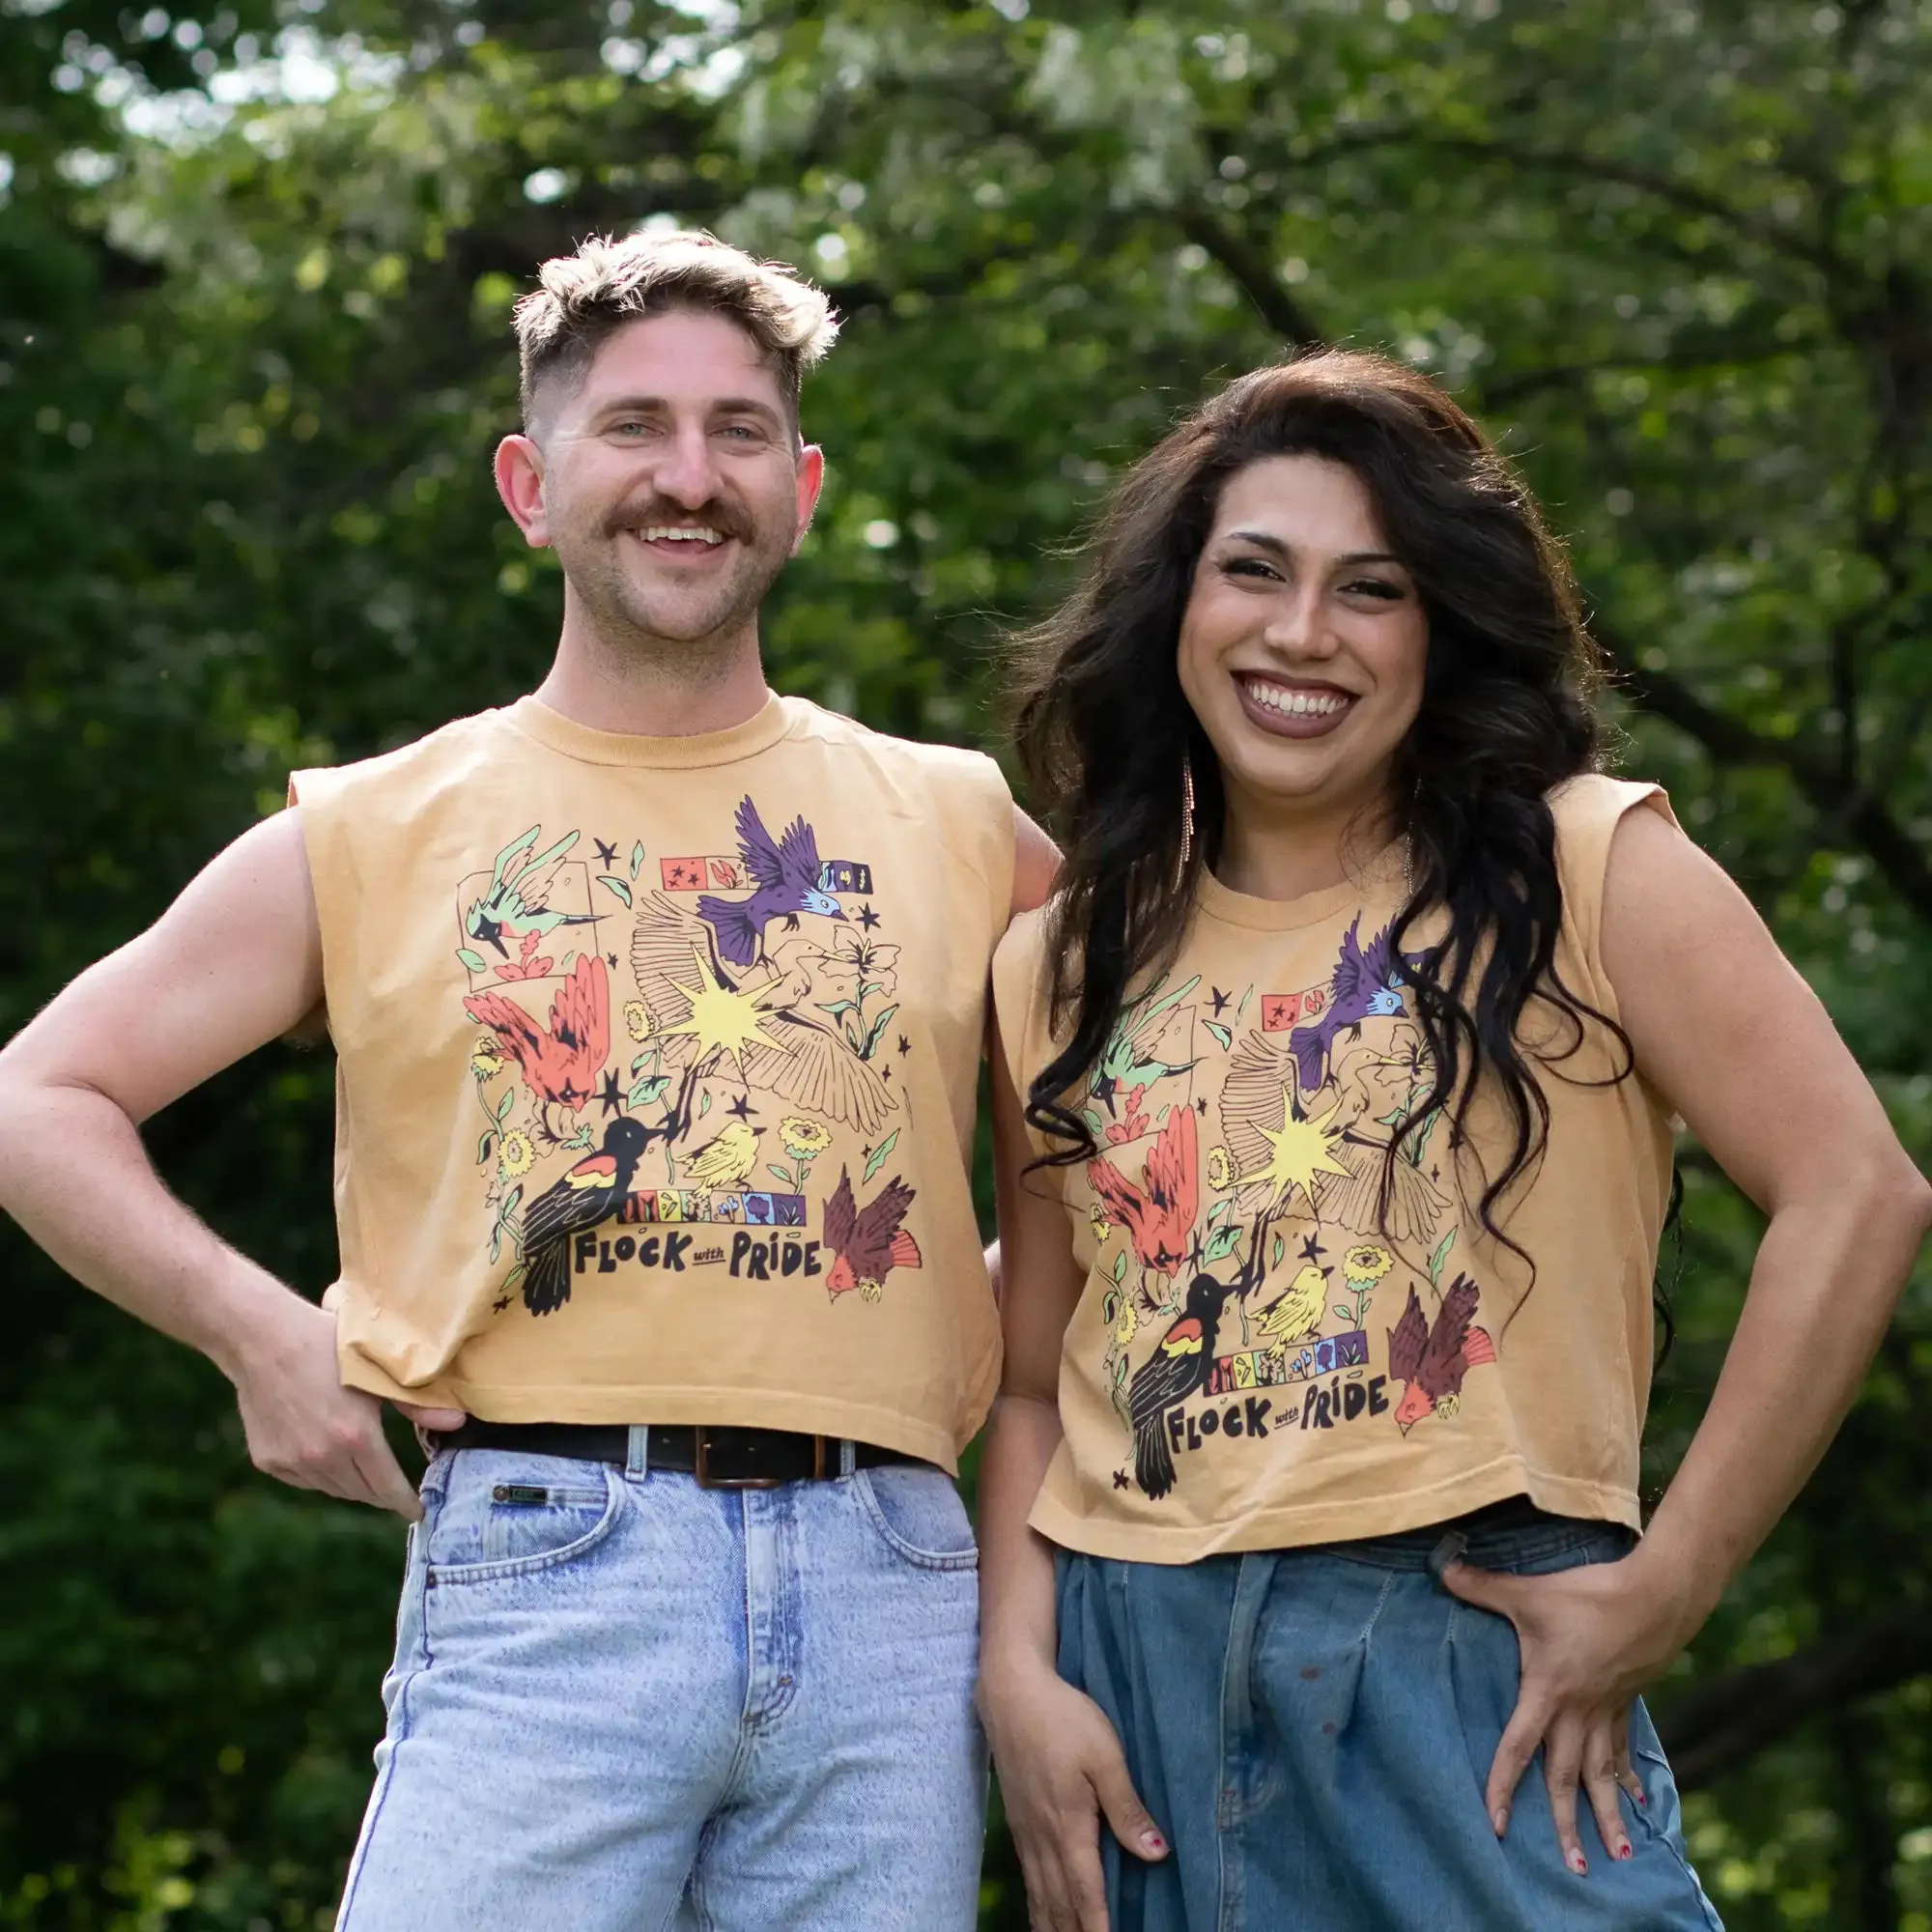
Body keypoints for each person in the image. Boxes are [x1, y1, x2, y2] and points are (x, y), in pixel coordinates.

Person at [0, 229, 1055, 1930]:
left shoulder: (954, 816)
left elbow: (1153, 1116)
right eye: (633, 427)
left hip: (895, 1590)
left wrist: (968, 1314)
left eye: (737, 434)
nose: (688, 479)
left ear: (801, 484)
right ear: (530, 481)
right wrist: (265, 1338)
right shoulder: (377, 823)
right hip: (550, 1563)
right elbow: (35, 1101)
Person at [977, 349, 1931, 1932]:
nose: (1301, 635)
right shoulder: (1064, 961)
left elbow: (1859, 1192)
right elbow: (1030, 1371)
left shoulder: (1585, 863)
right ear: (1177, 609)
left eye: (1374, 589)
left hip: (1467, 1650)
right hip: (1131, 1673)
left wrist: (1671, 1581)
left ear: (1442, 627)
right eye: (1255, 574)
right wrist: (1017, 1673)